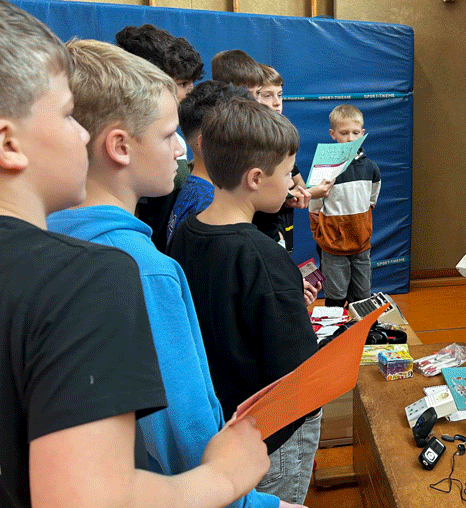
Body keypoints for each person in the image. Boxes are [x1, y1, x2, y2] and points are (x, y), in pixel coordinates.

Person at [0, 2, 267, 507]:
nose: (81, 134)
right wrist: (234, 484)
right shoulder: (104, 274)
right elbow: (178, 441)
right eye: (65, 116)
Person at [46, 39, 295, 508]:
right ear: (120, 146)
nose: (181, 148)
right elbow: (186, 436)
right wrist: (254, 502)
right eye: (167, 135)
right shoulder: (145, 271)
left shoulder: (45, 239)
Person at [167, 98, 322, 505]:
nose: (292, 184)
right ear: (255, 178)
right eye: (288, 174)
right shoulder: (264, 259)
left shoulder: (185, 233)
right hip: (269, 438)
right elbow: (300, 379)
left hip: (220, 426)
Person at [116, 23, 204, 252]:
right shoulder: (135, 146)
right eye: (182, 84)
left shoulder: (177, 139)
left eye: (192, 83)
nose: (190, 92)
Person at [310, 104, 381, 307]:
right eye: (344, 133)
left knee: (363, 296)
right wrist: (322, 233)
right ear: (333, 134)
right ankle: (335, 336)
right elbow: (314, 206)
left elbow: (371, 200)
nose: (350, 138)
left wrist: (362, 225)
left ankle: (363, 335)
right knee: (336, 296)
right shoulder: (325, 169)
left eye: (355, 133)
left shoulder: (371, 169)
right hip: (333, 245)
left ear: (362, 133)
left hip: (361, 243)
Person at [167, 80, 252, 244]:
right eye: (239, 132)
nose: (249, 141)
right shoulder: (210, 205)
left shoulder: (198, 190)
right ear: (206, 142)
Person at [251, 63, 316, 254]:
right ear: (252, 97)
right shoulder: (247, 141)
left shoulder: (281, 137)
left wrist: (290, 198)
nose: (277, 102)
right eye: (267, 95)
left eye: (279, 95)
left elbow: (298, 184)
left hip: (280, 226)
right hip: (259, 232)